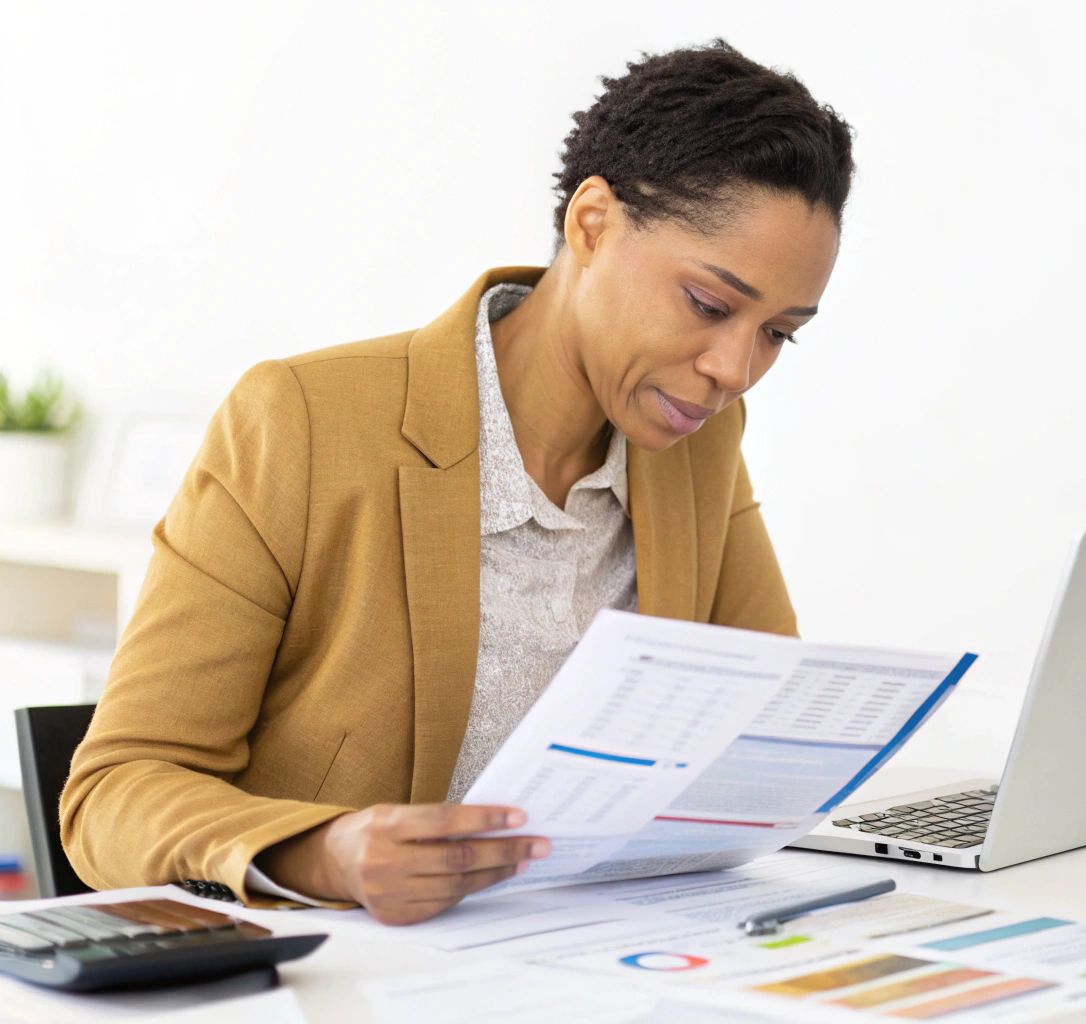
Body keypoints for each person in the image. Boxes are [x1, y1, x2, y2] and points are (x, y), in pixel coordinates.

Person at [59, 38, 853, 925]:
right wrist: (329, 853)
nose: (735, 368)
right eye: (710, 306)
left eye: (779, 333)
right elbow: (112, 791)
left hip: (586, 961)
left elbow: (761, 722)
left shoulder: (699, 440)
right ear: (591, 225)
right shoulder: (300, 421)